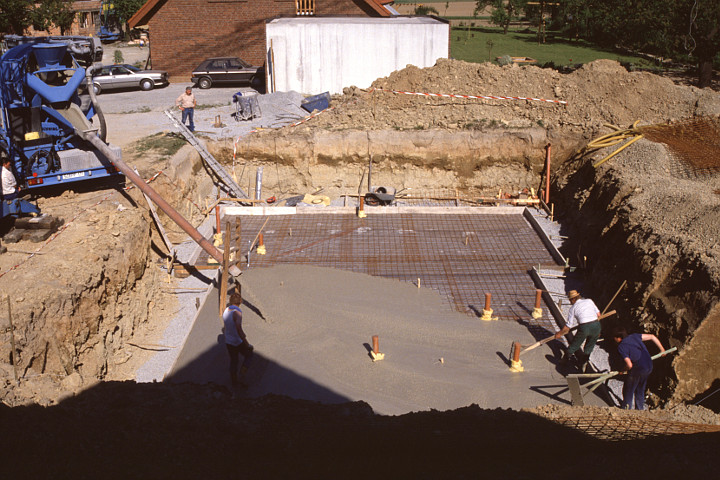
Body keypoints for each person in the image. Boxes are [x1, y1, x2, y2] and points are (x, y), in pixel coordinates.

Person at [612, 326, 666, 410]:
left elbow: (629, 365)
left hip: (639, 368)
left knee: (628, 389)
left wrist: (622, 370)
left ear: (619, 338)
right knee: (640, 388)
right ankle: (640, 409)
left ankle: (626, 409)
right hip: (649, 366)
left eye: (614, 338)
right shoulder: (635, 336)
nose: (614, 340)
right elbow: (652, 337)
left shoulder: (621, 346)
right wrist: (662, 349)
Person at [554, 289, 601, 370]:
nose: (570, 302)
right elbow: (598, 315)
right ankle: (583, 364)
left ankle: (564, 360)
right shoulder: (589, 301)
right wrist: (595, 328)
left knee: (574, 345)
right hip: (597, 325)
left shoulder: (573, 308)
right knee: (589, 347)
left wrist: (559, 333)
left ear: (573, 299)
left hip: (584, 327)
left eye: (570, 300)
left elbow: (568, 326)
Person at [222, 292, 253, 387]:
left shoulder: (226, 310)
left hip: (228, 341)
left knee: (234, 360)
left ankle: (234, 381)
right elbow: (239, 329)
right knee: (249, 355)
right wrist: (247, 343)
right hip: (236, 341)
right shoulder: (237, 313)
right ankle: (242, 375)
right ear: (240, 302)